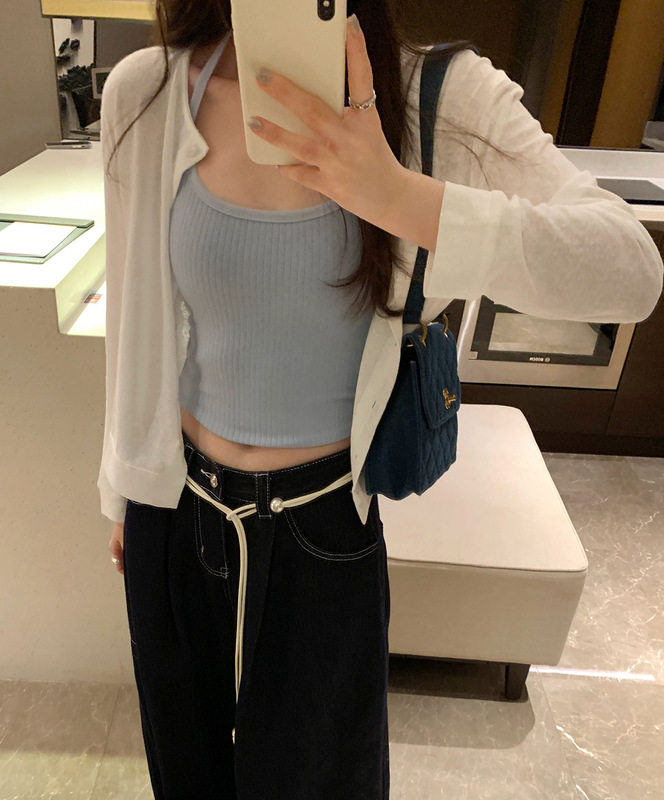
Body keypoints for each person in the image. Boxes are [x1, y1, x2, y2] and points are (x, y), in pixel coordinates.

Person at [98, 2, 664, 798]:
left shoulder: (441, 94)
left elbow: (630, 271)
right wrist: (122, 492)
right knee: (185, 778)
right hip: (174, 510)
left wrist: (398, 196)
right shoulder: (149, 88)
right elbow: (133, 314)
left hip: (323, 526)